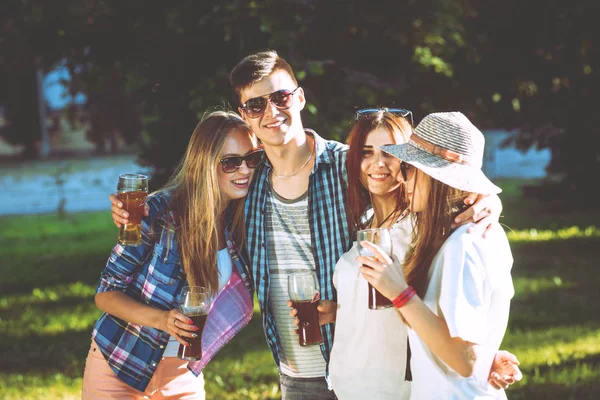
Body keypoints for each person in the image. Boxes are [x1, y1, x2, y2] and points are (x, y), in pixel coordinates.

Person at [110, 51, 504, 400]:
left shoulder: (347, 165)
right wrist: (138, 210)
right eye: (256, 104)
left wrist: (485, 200)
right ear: (245, 114)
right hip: (294, 371)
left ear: (299, 98)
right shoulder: (249, 176)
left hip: (365, 367)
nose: (271, 111)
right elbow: (193, 193)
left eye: (280, 97)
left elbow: (420, 190)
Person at [82, 110, 260, 399]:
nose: (244, 170)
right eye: (231, 162)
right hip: (119, 363)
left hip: (181, 372)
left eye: (252, 158)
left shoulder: (242, 221)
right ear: (205, 163)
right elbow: (105, 294)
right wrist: (162, 320)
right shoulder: (157, 212)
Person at [360, 111, 518, 399]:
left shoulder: (463, 246)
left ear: (437, 178)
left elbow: (464, 360)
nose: (398, 175)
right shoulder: (472, 235)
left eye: (407, 167)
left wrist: (400, 294)